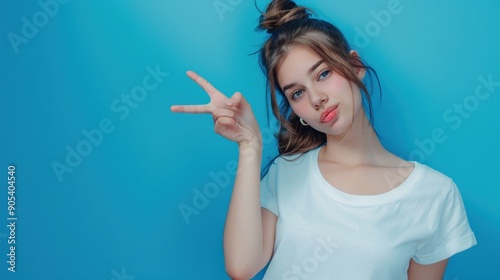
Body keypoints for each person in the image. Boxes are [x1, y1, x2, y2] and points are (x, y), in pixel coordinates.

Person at [171, 0, 477, 279]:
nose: (317, 98)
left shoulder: (434, 194)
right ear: (296, 111)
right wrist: (249, 147)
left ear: (355, 67)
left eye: (323, 74)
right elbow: (241, 267)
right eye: (297, 93)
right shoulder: (287, 172)